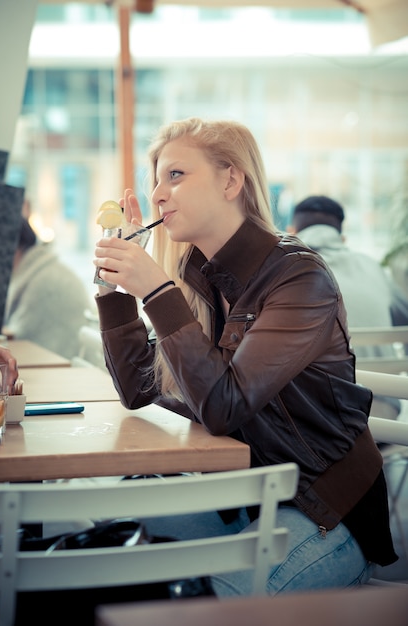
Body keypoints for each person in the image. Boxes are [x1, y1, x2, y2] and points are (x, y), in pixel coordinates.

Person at [93, 117, 397, 595]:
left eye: (175, 175)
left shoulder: (299, 279)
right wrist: (112, 286)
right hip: (242, 499)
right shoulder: (202, 281)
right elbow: (138, 387)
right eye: (156, 179)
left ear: (231, 180)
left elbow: (223, 406)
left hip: (322, 512)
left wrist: (157, 290)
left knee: (200, 606)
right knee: (104, 540)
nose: (156, 194)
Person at [288, 195, 408, 421]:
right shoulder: (373, 268)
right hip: (382, 417)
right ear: (342, 237)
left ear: (292, 231)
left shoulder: (284, 268)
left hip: (315, 421)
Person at [3, 216, 90, 360]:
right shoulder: (41, 269)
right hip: (66, 368)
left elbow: (18, 347)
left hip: (65, 372)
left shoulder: (44, 281)